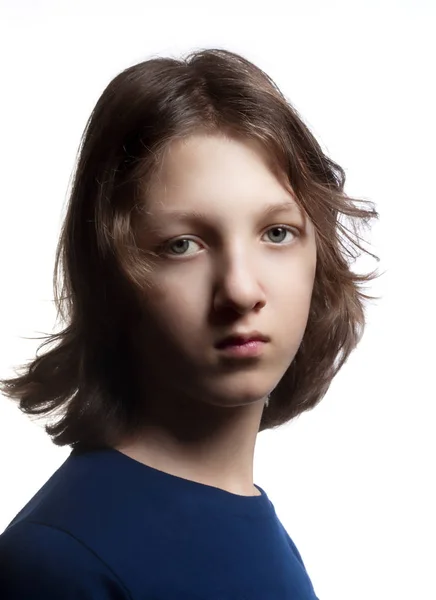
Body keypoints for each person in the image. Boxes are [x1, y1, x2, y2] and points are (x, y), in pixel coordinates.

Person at [0, 47, 379, 599]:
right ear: (111, 275)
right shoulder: (56, 562)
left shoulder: (251, 516)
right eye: (183, 245)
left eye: (276, 232)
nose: (242, 290)